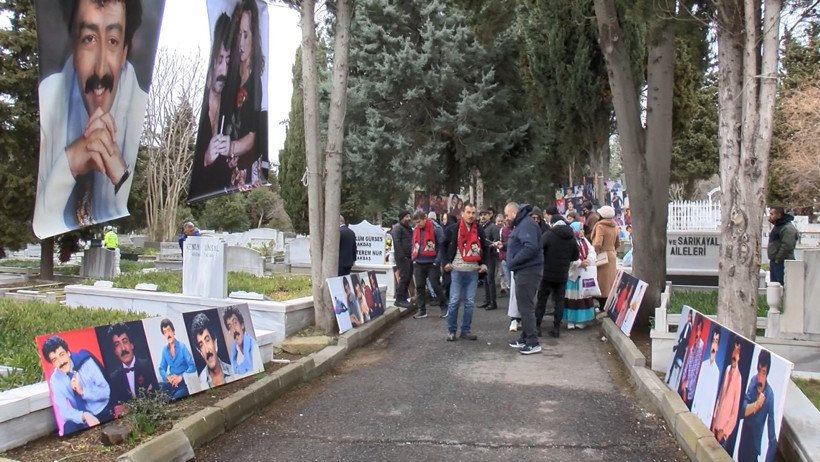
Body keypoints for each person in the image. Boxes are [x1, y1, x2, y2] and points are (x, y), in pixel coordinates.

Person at [33, 0, 146, 238]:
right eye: (89, 39)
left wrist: (119, 172)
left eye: (113, 41)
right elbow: (43, 222)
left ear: (125, 52)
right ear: (74, 47)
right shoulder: (49, 97)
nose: (101, 69)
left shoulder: (137, 105)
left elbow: (131, 211)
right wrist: (70, 161)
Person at [189, 12, 233, 199]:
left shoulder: (230, 111)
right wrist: (206, 158)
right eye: (220, 60)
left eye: (228, 61)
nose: (223, 70)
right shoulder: (198, 113)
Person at [224, 0, 265, 190]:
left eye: (246, 35)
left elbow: (251, 137)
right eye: (238, 34)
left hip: (244, 174)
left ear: (254, 37)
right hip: (225, 171)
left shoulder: (255, 83)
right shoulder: (228, 76)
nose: (240, 43)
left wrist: (230, 148)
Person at [42, 335, 112, 435]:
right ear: (52, 364)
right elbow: (63, 412)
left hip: (103, 411)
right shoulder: (55, 380)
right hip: (83, 417)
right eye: (55, 360)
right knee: (68, 427)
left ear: (68, 353)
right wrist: (84, 416)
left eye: (62, 355)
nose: (61, 362)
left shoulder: (86, 362)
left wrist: (83, 392)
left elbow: (106, 392)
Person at [501, 202, 544, 355]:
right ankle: (525, 337)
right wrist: (506, 247)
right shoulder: (523, 225)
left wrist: (513, 262)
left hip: (528, 271)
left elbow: (530, 247)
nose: (506, 218)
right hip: (524, 271)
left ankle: (533, 341)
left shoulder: (526, 225)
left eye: (507, 215)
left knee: (525, 307)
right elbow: (520, 244)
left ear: (514, 213)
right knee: (523, 305)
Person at [443, 203, 488, 342]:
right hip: (456, 270)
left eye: (473, 213)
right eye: (468, 212)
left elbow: (484, 248)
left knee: (469, 302)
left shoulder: (479, 230)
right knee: (454, 301)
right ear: (462, 213)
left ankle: (465, 330)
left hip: (473, 271)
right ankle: (451, 330)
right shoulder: (452, 229)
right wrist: (445, 262)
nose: (471, 215)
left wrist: (484, 264)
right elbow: (443, 246)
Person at [534, 214, 579, 338]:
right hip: (562, 275)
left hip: (547, 273)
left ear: (553, 224)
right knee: (559, 301)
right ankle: (556, 328)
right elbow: (576, 256)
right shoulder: (571, 237)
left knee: (542, 300)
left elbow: (539, 249)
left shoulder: (548, 235)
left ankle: (537, 327)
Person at [106, 323, 158, 408]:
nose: (123, 348)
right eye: (117, 344)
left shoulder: (148, 366)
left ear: (131, 345)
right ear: (115, 351)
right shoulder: (113, 379)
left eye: (125, 341)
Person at [738, 350, 777, 462]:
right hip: (744, 441)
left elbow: (772, 437)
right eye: (759, 370)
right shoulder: (753, 381)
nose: (760, 377)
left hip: (754, 447)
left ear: (767, 372)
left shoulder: (770, 395)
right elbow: (741, 411)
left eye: (763, 372)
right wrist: (756, 405)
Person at [411, 210, 446, 319]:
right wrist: (413, 258)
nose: (418, 224)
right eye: (416, 222)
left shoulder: (436, 228)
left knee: (436, 286)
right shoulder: (416, 230)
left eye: (419, 222)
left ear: (425, 219)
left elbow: (441, 245)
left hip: (432, 262)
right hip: (419, 262)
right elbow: (413, 244)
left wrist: (437, 261)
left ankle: (444, 307)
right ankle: (422, 310)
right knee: (420, 287)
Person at [564, 221, 596, 329]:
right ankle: (571, 320)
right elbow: (568, 257)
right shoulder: (569, 241)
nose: (582, 231)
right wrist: (579, 263)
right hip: (573, 274)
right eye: (581, 229)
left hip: (584, 274)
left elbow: (592, 252)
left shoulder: (585, 241)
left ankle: (581, 320)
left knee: (582, 297)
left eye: (582, 229)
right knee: (571, 297)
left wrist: (588, 261)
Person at [711, 338, 743, 448]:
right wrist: (714, 420)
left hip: (723, 434)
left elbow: (735, 411)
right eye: (734, 349)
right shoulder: (727, 370)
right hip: (715, 426)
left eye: (738, 351)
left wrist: (724, 431)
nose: (735, 353)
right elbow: (720, 397)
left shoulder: (738, 378)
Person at [190, 312, 234, 388]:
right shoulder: (200, 384)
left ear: (215, 342)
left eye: (207, 340)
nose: (207, 350)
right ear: (200, 352)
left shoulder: (233, 371)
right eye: (201, 345)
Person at [157, 318, 196, 400]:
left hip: (183, 384)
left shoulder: (182, 347)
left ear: (173, 331)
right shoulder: (164, 350)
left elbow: (192, 366)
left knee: (175, 398)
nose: (168, 334)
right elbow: (161, 368)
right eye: (165, 332)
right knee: (159, 389)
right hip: (171, 383)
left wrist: (181, 377)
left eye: (169, 330)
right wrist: (168, 377)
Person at [691, 327, 722, 428]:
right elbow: (699, 387)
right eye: (713, 341)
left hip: (706, 416)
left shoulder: (716, 372)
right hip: (696, 411)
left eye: (716, 342)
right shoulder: (703, 366)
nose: (714, 345)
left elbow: (712, 398)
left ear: (718, 347)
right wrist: (694, 410)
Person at [592, 205, 619, 309]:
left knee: (601, 281)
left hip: (602, 255)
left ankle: (602, 304)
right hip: (612, 254)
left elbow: (598, 243)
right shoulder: (615, 226)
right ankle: (608, 303)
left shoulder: (600, 226)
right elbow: (618, 243)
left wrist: (596, 251)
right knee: (610, 282)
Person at [223, 306, 259, 375]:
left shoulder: (254, 348)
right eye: (230, 326)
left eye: (235, 323)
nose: (234, 330)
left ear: (242, 325)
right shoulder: (234, 354)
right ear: (229, 332)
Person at [767, 206, 798, 285]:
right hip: (776, 261)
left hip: (782, 262)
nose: (769, 216)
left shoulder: (787, 228)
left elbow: (787, 246)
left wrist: (778, 259)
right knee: (774, 288)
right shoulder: (778, 226)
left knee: (781, 286)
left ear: (779, 215)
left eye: (772, 214)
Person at [679, 316, 705, 408]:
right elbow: (687, 366)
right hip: (685, 387)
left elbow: (695, 371)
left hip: (691, 390)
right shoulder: (693, 346)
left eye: (699, 329)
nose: (697, 332)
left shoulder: (700, 346)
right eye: (697, 328)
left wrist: (686, 386)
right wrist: (683, 382)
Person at [391, 211, 413, 308]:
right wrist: (402, 256)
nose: (409, 218)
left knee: (408, 278)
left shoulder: (408, 229)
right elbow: (397, 243)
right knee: (403, 278)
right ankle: (399, 299)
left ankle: (404, 298)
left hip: (409, 257)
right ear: (402, 218)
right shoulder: (397, 228)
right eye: (406, 216)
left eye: (409, 216)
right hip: (403, 258)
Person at [667, 310, 693, 388]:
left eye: (689, 317)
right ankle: (669, 379)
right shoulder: (686, 325)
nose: (688, 318)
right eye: (688, 316)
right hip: (680, 345)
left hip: (683, 348)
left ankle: (677, 382)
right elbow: (681, 334)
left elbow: (687, 339)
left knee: (679, 365)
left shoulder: (690, 327)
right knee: (673, 364)